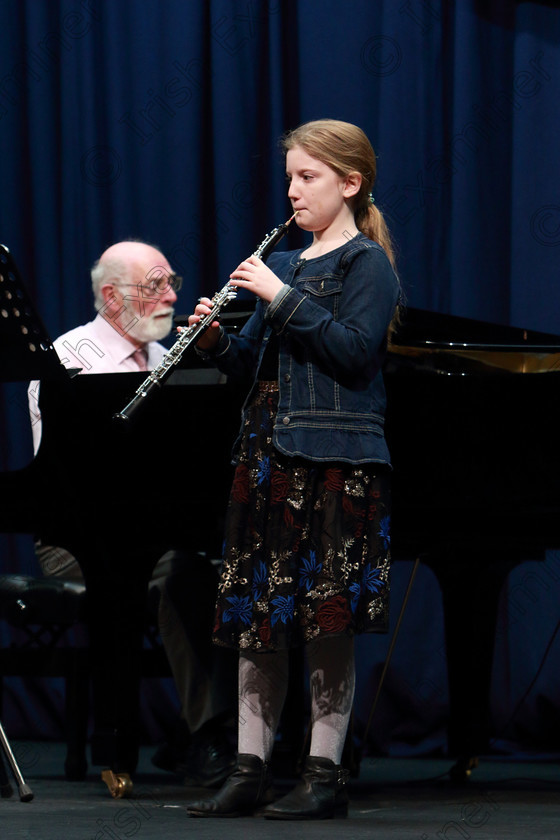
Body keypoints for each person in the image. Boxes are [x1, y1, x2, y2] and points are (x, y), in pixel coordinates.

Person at [184, 119, 401, 820]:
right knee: (259, 615)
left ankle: (323, 774)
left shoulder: (366, 264)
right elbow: (253, 365)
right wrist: (216, 339)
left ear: (349, 183)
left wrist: (278, 297)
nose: (292, 191)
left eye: (307, 177)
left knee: (324, 620)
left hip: (334, 462)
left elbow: (353, 350)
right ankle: (248, 770)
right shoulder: (291, 264)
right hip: (269, 456)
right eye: (290, 177)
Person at [28, 240, 236, 787]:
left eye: (172, 283)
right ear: (112, 299)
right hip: (73, 537)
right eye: (155, 286)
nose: (172, 296)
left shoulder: (167, 361)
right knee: (182, 573)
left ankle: (223, 735)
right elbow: (65, 485)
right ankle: (208, 732)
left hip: (155, 532)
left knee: (219, 570)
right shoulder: (70, 360)